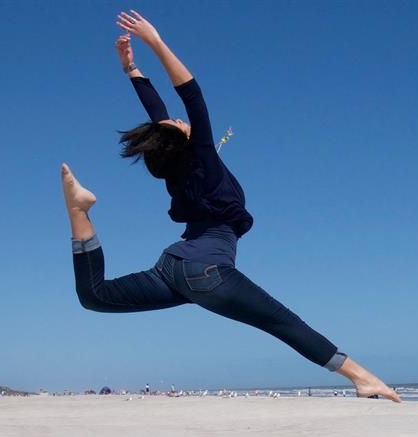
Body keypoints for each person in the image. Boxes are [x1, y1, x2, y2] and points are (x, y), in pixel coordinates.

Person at [61, 10, 399, 402]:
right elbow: (192, 94)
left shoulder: (174, 167)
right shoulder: (200, 156)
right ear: (183, 140)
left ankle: (78, 212)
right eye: (177, 124)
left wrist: (131, 69)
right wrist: (154, 41)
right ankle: (363, 378)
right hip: (206, 271)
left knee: (95, 295)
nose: (178, 119)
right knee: (281, 322)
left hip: (173, 268)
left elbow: (158, 116)